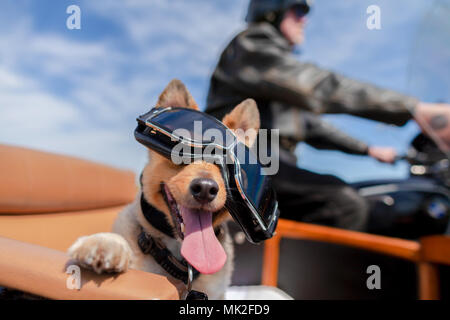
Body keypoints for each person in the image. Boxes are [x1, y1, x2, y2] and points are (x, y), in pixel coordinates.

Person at [205, 0, 450, 230]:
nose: (305, 21)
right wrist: (413, 108)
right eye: (299, 11)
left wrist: (369, 149)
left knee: (362, 195)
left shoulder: (274, 74)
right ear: (273, 10)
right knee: (343, 202)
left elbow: (311, 126)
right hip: (243, 164)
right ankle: (297, 276)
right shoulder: (253, 45)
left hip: (273, 165)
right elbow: (319, 87)